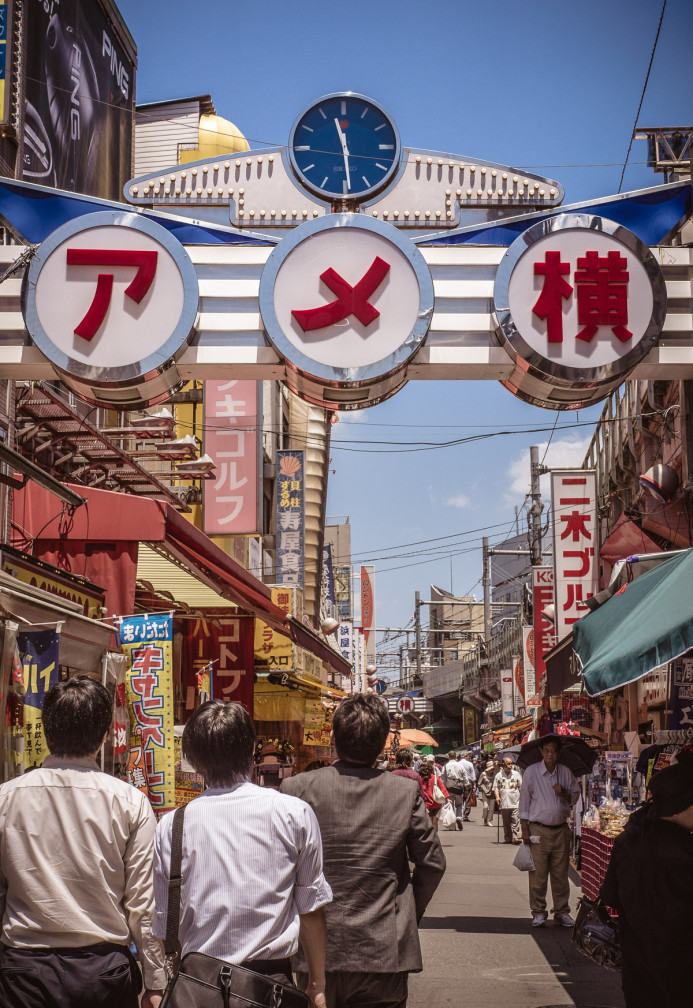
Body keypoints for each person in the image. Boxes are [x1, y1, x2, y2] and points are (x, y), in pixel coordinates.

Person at [0, 676, 166, 1008]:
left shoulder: (6, 798)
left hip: (23, 975)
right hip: (103, 975)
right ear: (104, 735)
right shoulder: (130, 802)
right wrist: (155, 979)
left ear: (47, 730)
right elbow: (142, 905)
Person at [153, 701, 331, 1008]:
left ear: (193, 759)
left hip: (198, 986)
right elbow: (310, 911)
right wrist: (316, 984)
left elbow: (164, 923)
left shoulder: (172, 825)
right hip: (271, 987)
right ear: (252, 752)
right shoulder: (293, 813)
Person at [281, 694, 446, 1008]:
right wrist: (408, 911)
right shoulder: (403, 791)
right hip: (384, 948)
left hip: (314, 952)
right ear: (384, 742)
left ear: (333, 739)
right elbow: (433, 863)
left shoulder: (297, 788)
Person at [600, 750, 693, 1007]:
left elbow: (610, 895)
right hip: (681, 972)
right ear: (680, 805)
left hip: (638, 967)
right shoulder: (685, 850)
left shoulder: (628, 839)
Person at [518, 737, 580, 928]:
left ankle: (561, 912)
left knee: (561, 874)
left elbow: (575, 796)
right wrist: (525, 830)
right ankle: (538, 911)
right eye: (547, 750)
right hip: (538, 829)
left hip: (561, 830)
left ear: (558, 752)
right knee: (538, 875)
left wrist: (564, 793)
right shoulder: (531, 772)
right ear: (541, 752)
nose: (550, 754)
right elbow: (524, 803)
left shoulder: (565, 772)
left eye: (553, 751)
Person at [493, 757, 523, 843]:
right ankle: (508, 838)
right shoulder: (498, 775)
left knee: (515, 820)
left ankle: (516, 837)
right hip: (504, 802)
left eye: (511, 764)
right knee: (506, 821)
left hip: (515, 801)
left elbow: (521, 787)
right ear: (503, 765)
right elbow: (495, 788)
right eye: (508, 764)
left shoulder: (516, 774)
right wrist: (497, 797)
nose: (510, 766)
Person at [419, 758, 450, 832]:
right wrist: (447, 798)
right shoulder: (435, 777)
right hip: (436, 802)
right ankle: (435, 836)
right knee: (435, 821)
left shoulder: (420, 779)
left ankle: (429, 836)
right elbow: (442, 787)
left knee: (428, 821)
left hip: (426, 803)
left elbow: (419, 791)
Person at [442, 750, 468, 830]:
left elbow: (443, 777)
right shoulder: (460, 765)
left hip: (449, 787)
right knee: (459, 804)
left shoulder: (446, 766)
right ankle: (459, 817)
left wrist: (443, 787)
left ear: (448, 757)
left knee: (451, 805)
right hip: (459, 786)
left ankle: (452, 823)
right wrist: (466, 787)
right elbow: (465, 776)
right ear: (456, 757)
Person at [477, 760, 497, 826]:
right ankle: (485, 818)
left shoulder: (495, 774)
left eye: (493, 769)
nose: (492, 770)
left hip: (493, 792)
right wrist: (483, 788)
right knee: (485, 807)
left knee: (491, 808)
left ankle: (489, 821)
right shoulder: (483, 774)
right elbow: (479, 783)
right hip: (485, 792)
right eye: (491, 769)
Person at [458, 750, 476, 821]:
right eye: (468, 756)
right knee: (468, 799)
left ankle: (459, 814)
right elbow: (473, 775)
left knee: (461, 799)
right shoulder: (470, 764)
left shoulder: (458, 764)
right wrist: (474, 784)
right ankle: (465, 815)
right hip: (469, 783)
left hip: (460, 783)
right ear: (465, 756)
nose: (469, 757)